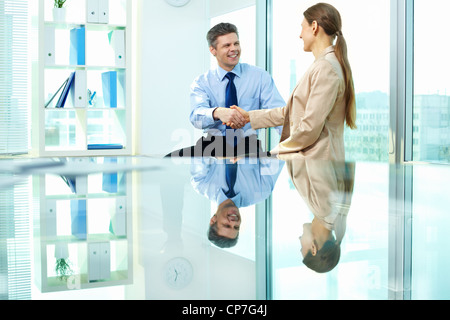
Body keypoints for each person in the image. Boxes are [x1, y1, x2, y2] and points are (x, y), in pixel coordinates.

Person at [228, 3, 357, 161]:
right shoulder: (324, 65)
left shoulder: (325, 68)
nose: (300, 35)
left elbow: (309, 128)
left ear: (314, 26)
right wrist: (249, 116)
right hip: (316, 167)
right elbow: (293, 112)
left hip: (319, 168)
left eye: (302, 27)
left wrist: (268, 155)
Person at [167, 22, 285, 158]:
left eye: (236, 43)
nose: (234, 49)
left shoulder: (259, 77)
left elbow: (279, 114)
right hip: (212, 145)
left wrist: (294, 145)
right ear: (213, 50)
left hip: (248, 146)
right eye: (227, 45)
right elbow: (196, 117)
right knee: (170, 160)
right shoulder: (202, 82)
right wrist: (217, 112)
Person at [190, 156, 283, 248]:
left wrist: (216, 153)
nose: (234, 222)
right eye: (236, 227)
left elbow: (201, 151)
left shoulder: (201, 184)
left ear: (213, 220)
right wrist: (249, 153)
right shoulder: (261, 192)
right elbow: (280, 153)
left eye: (226, 225)